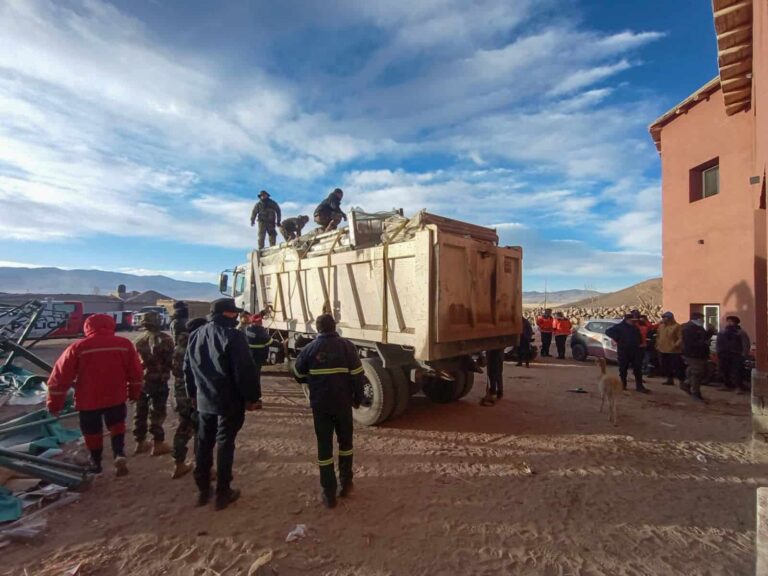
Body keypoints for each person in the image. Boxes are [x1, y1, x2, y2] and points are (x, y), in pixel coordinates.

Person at [184, 298, 260, 510]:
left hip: (204, 400)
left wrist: (193, 393)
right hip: (229, 401)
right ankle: (223, 492)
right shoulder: (233, 336)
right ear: (228, 314)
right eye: (234, 313)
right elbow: (245, 371)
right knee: (225, 444)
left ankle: (202, 489)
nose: (236, 316)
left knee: (204, 443)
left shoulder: (196, 334)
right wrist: (252, 398)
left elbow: (187, 368)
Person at [46, 314, 143, 476]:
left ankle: (96, 463)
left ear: (87, 327)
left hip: (88, 400)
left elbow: (59, 379)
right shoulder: (124, 344)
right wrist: (134, 393)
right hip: (116, 396)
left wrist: (54, 405)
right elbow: (136, 372)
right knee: (117, 426)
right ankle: (119, 453)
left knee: (92, 432)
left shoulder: (78, 347)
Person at [293, 314, 364, 509]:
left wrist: (313, 379)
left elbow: (298, 374)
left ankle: (328, 493)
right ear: (335, 327)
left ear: (318, 329)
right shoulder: (347, 346)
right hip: (343, 405)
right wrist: (358, 399)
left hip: (321, 407)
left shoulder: (309, 349)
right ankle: (346, 484)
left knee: (324, 449)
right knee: (346, 444)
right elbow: (358, 376)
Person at [133, 311, 175, 456]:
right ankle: (158, 443)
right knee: (157, 412)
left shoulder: (139, 340)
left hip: (143, 380)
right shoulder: (166, 339)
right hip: (159, 381)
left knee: (140, 411)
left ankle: (140, 441)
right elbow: (171, 361)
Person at [170, 317, 207, 479]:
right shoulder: (199, 347)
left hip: (179, 392)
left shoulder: (178, 346)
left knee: (183, 427)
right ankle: (204, 468)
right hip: (195, 394)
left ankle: (179, 463)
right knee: (201, 431)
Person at [606, 314, 650, 393]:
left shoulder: (635, 327)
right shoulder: (619, 327)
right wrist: (618, 339)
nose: (635, 322)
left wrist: (639, 343)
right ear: (628, 320)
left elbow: (639, 337)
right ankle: (623, 385)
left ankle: (639, 386)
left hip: (635, 351)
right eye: (633, 321)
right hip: (624, 351)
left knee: (637, 368)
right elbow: (608, 332)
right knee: (623, 369)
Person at [681, 312, 713, 402]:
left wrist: (710, 332)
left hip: (700, 353)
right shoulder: (688, 328)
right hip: (693, 354)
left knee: (696, 371)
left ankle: (687, 384)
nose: (703, 320)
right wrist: (703, 343)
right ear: (698, 319)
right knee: (697, 372)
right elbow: (690, 343)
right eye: (702, 319)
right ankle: (695, 392)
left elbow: (702, 338)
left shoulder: (698, 327)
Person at [716, 315, 750, 394]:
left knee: (737, 371)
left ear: (735, 323)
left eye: (731, 321)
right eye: (728, 321)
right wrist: (719, 352)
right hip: (724, 354)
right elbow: (719, 343)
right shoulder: (722, 332)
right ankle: (726, 385)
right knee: (724, 370)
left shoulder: (740, 332)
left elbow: (745, 344)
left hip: (736, 354)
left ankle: (738, 387)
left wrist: (744, 354)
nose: (729, 323)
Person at [245, 313, 271, 409]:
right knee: (256, 378)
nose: (261, 322)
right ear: (255, 322)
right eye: (259, 321)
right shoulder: (260, 330)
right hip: (257, 357)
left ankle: (248, 398)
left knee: (249, 377)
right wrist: (280, 344)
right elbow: (268, 341)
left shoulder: (248, 329)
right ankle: (255, 399)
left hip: (249, 356)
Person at [656, 311, 685, 386]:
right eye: (663, 317)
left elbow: (681, 337)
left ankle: (681, 381)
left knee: (677, 367)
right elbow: (658, 336)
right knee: (666, 366)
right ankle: (669, 379)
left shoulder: (677, 326)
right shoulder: (661, 326)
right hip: (663, 349)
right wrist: (657, 344)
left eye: (665, 317)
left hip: (674, 351)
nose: (664, 319)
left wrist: (676, 345)